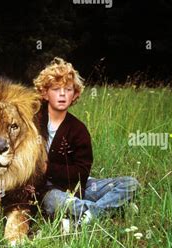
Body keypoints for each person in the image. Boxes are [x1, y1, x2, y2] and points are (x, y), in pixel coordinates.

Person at [33, 57, 139, 231]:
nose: (62, 94)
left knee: (130, 183)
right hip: (47, 190)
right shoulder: (32, 121)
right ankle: (113, 209)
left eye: (67, 90)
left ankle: (85, 217)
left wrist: (48, 168)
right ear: (44, 93)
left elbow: (82, 172)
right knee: (53, 201)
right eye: (55, 89)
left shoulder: (78, 129)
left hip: (80, 186)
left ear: (74, 95)